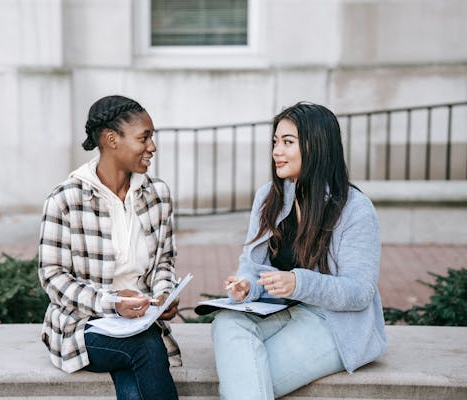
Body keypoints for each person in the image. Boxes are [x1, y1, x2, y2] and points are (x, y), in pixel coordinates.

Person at [211, 102, 387, 400]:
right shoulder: (269, 196)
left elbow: (359, 292)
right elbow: (251, 266)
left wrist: (299, 282)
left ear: (316, 145)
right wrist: (245, 286)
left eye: (287, 142)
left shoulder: (355, 209)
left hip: (331, 321)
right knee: (227, 322)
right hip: (278, 309)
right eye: (275, 142)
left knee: (245, 380)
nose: (276, 151)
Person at [38, 95, 180, 400]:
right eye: (144, 137)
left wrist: (165, 294)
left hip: (141, 322)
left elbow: (165, 261)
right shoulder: (65, 199)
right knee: (144, 347)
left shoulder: (158, 194)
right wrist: (111, 303)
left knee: (138, 362)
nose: (152, 147)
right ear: (112, 139)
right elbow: (52, 277)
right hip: (83, 325)